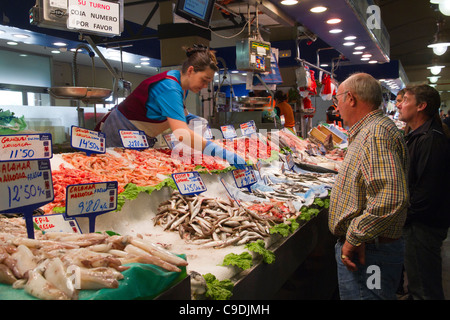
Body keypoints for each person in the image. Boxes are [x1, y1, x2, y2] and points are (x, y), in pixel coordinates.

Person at [95, 44, 246, 169]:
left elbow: (173, 109)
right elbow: (182, 134)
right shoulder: (169, 86)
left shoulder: (180, 83)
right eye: (204, 80)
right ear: (191, 70)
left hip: (140, 137)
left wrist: (187, 116)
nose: (205, 85)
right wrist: (222, 153)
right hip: (120, 133)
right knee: (118, 171)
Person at [328, 73, 409, 300]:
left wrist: (355, 235)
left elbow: (390, 196)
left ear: (351, 98)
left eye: (338, 100)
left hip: (371, 253)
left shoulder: (374, 134)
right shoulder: (372, 129)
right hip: (371, 247)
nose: (337, 108)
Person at [397, 85, 450, 300]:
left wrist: (402, 217)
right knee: (419, 281)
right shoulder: (418, 135)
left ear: (421, 106)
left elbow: (426, 193)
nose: (399, 104)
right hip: (419, 223)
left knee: (424, 289)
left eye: (406, 100)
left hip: (423, 226)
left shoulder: (431, 139)